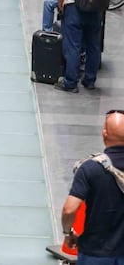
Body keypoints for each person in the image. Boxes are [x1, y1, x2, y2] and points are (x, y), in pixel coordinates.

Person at [60, 110, 124, 260]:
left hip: (95, 253)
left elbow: (69, 209)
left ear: (104, 134)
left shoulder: (90, 168)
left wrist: (68, 233)